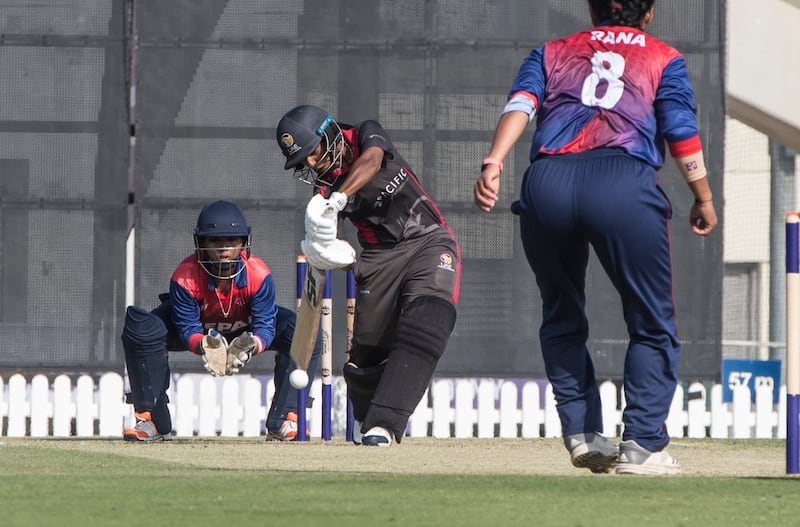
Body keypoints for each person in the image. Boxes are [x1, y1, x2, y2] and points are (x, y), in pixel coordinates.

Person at [473, 0, 717, 475]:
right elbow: (681, 132)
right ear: (648, 14)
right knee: (651, 320)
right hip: (622, 183)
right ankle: (643, 445)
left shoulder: (552, 51)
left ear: (591, 10)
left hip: (547, 183)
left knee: (561, 311)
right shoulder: (663, 56)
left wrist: (494, 161)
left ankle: (583, 432)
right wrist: (703, 196)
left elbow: (520, 105)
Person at [276, 104, 461, 447]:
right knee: (366, 357)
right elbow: (336, 244)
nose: (312, 164)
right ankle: (370, 421)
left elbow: (373, 160)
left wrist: (340, 198)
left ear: (328, 133)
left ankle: (385, 423)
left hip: (429, 241)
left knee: (428, 320)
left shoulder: (364, 133)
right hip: (378, 261)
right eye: (304, 162)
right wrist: (332, 252)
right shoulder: (322, 194)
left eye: (313, 153)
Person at [121, 200, 321, 441]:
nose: (224, 249)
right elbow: (187, 328)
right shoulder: (185, 276)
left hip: (244, 330)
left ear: (243, 243)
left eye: (231, 241)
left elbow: (265, 326)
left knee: (303, 330)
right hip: (200, 329)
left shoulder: (259, 274)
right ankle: (150, 419)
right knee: (141, 327)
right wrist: (204, 345)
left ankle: (286, 418)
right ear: (201, 244)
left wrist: (251, 345)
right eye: (215, 241)